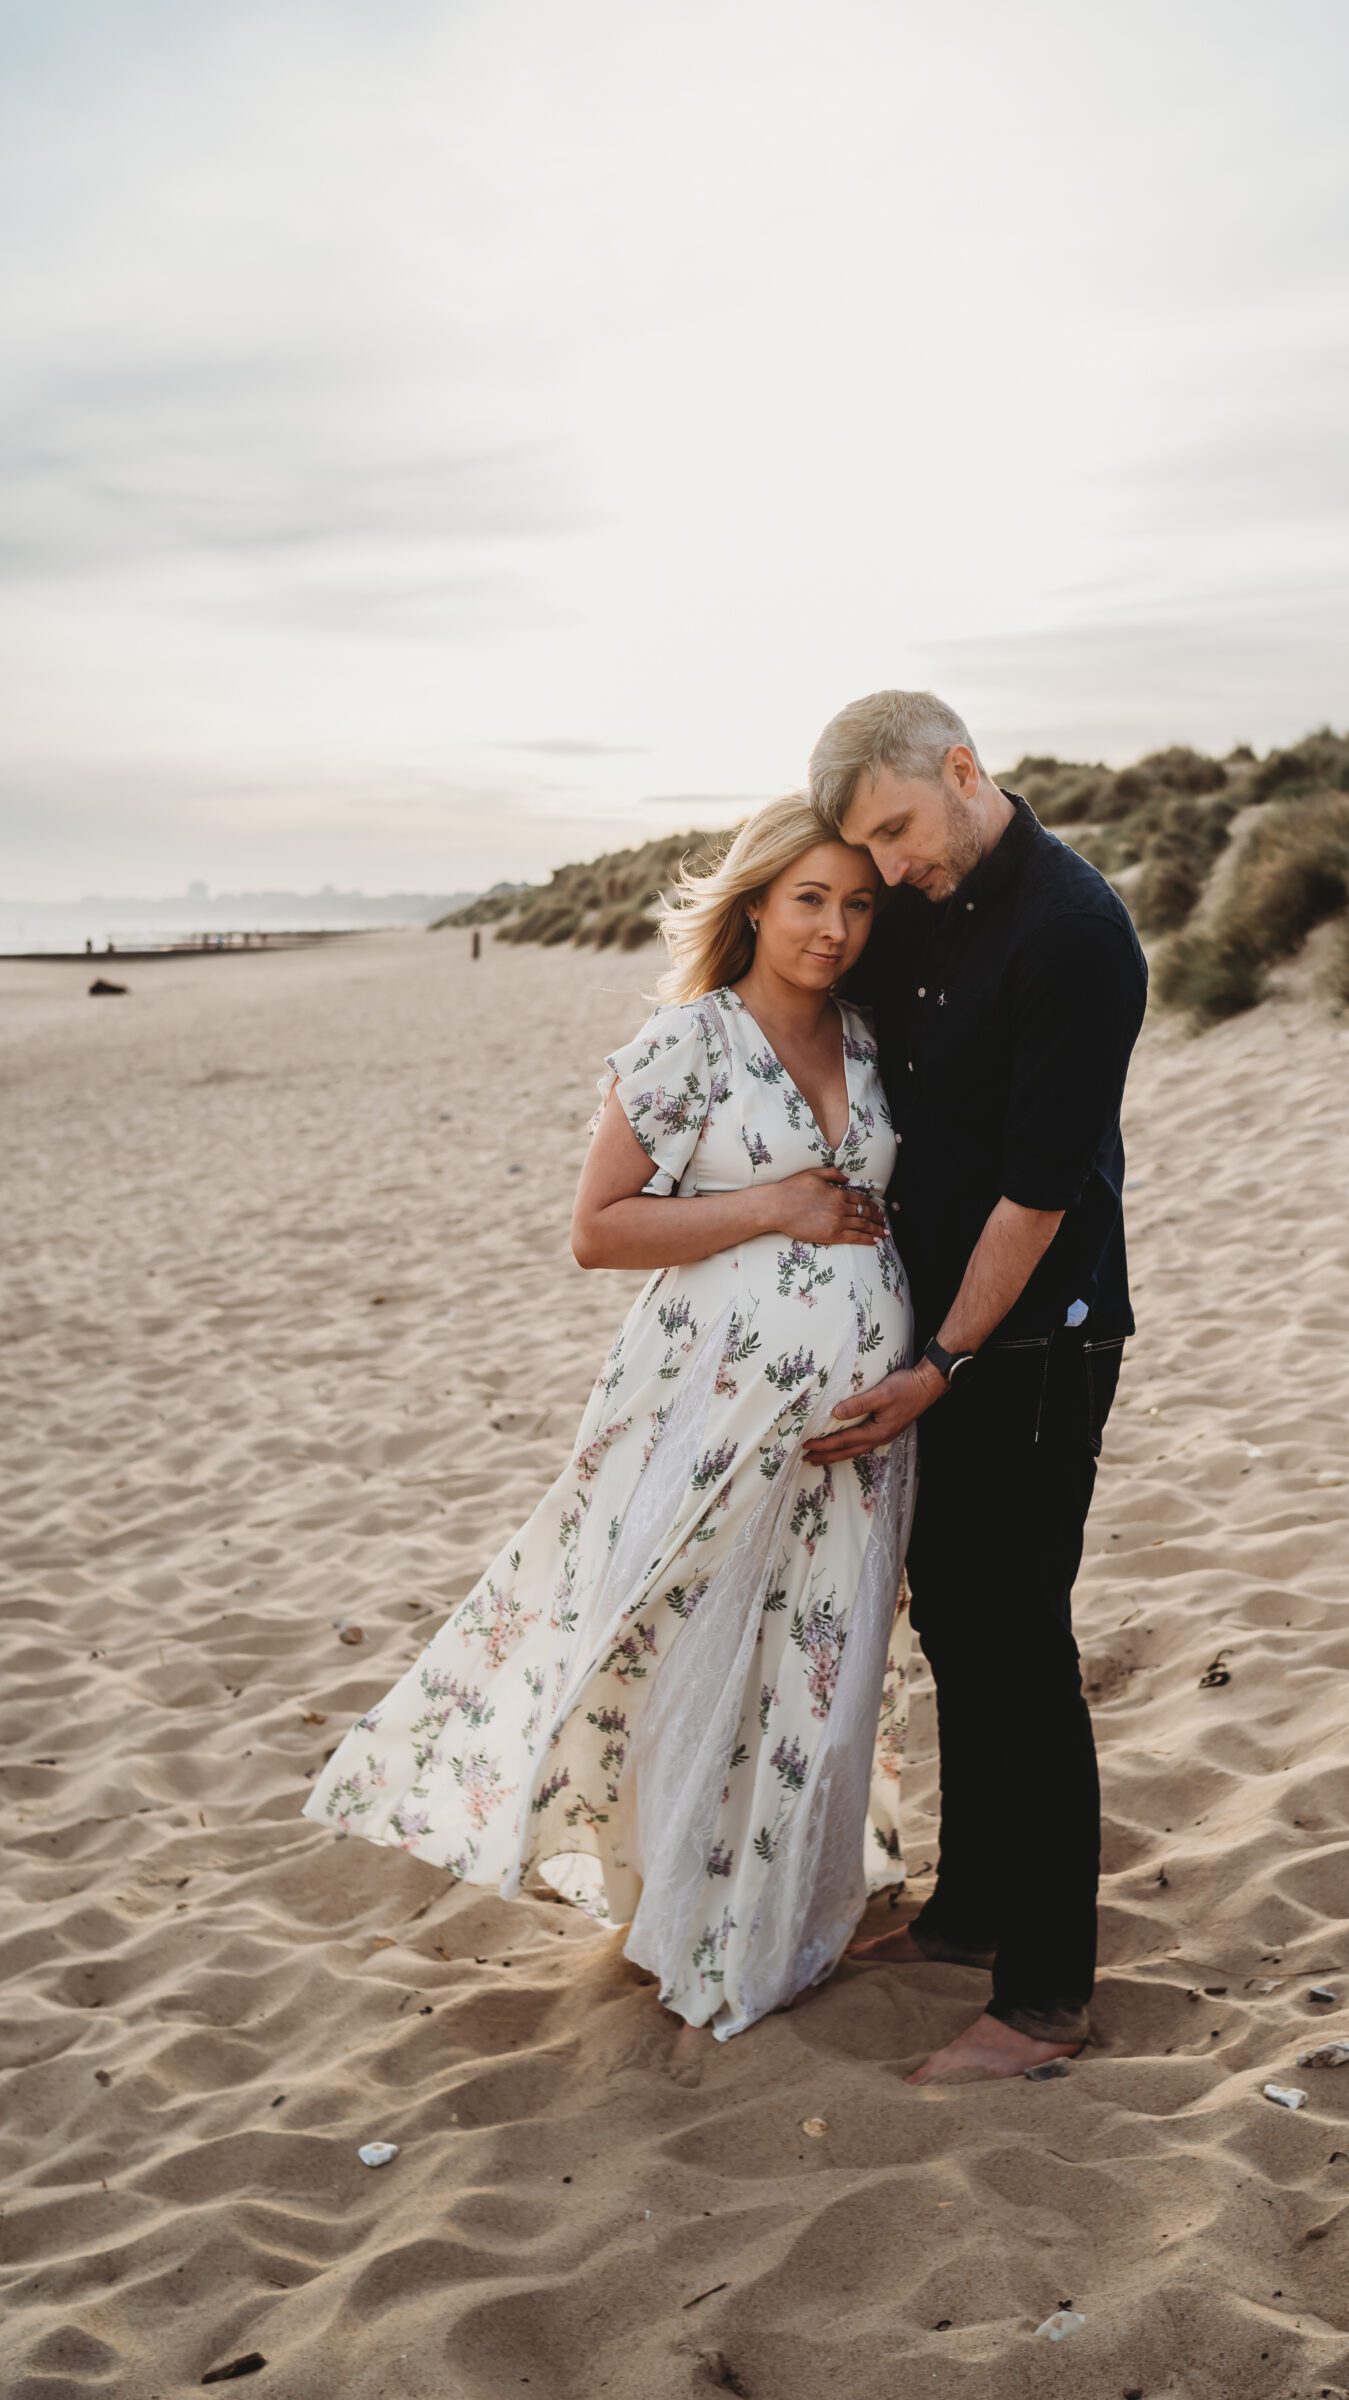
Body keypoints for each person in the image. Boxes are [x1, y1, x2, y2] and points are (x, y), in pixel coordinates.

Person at [301, 795, 918, 2042]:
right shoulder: (691, 1043)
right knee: (689, 1640)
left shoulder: (871, 1040)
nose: (835, 928)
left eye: (858, 903)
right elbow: (600, 1228)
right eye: (810, 899)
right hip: (706, 1404)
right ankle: (685, 1907)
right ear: (755, 902)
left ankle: (784, 1906)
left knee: (817, 1659)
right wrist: (776, 1208)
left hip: (858, 1430)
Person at [804, 690, 1147, 2084]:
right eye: (863, 850)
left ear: (962, 769)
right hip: (934, 1344)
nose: (887, 870)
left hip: (1035, 1339)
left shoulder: (1073, 933)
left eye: (894, 830)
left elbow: (1035, 1191)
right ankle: (972, 1910)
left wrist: (941, 1363)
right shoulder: (924, 903)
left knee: (1016, 1643)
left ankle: (1045, 1996)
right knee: (952, 1620)